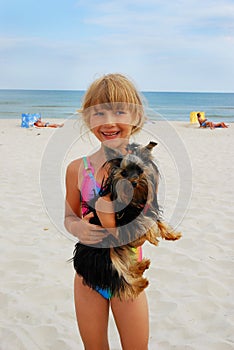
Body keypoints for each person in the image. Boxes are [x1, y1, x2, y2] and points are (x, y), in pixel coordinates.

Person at [64, 73, 150, 349]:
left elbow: (143, 226)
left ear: (135, 117)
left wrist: (108, 215)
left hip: (127, 275)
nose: (108, 122)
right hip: (87, 274)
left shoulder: (142, 169)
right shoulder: (77, 169)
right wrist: (79, 227)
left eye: (119, 111)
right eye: (98, 113)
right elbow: (68, 217)